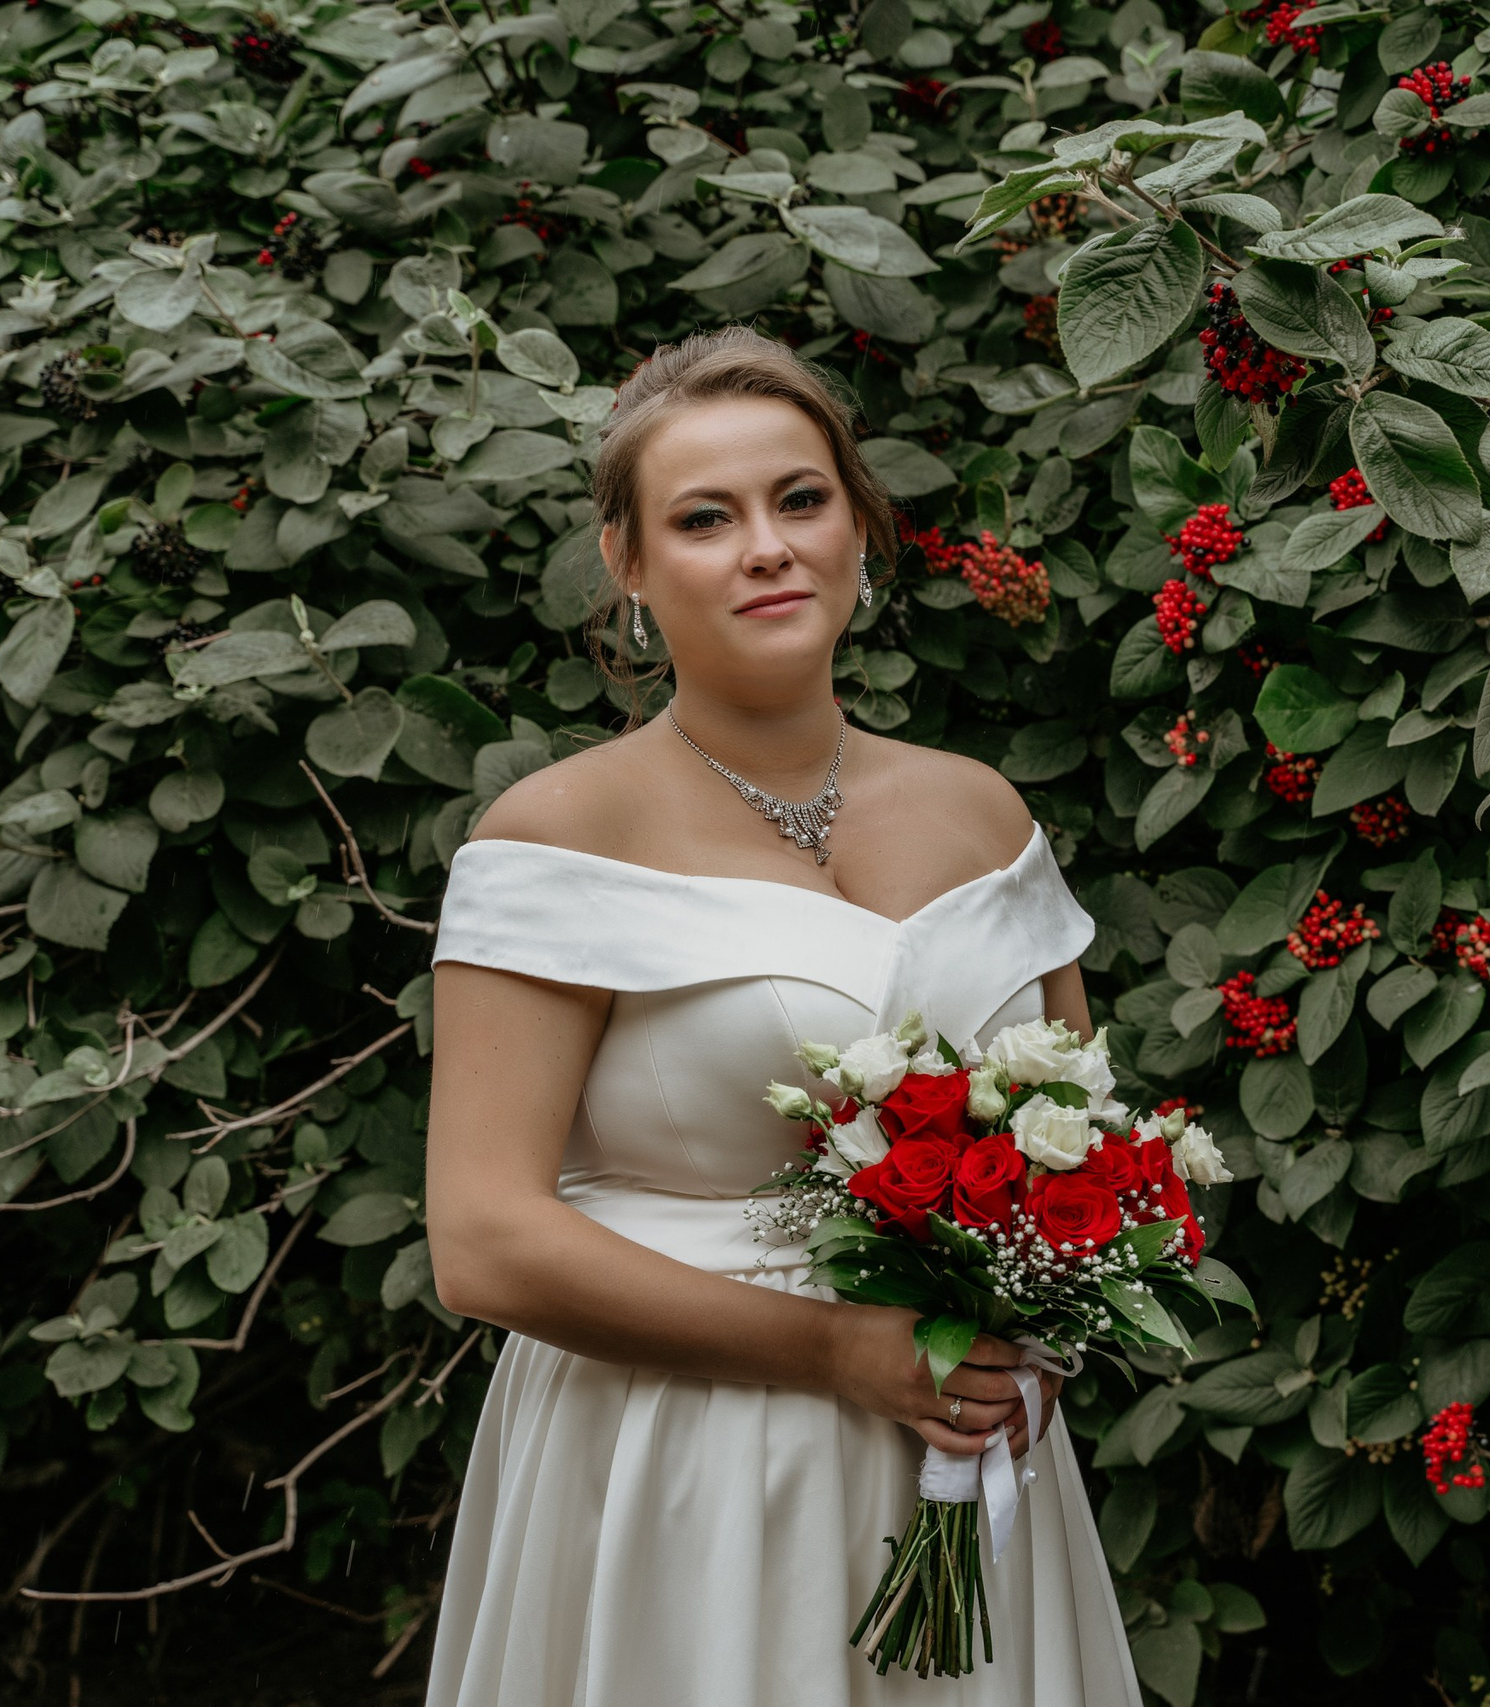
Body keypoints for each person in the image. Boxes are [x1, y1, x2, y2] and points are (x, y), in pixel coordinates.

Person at [420, 326, 1137, 1705]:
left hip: (963, 1454)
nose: (768, 547)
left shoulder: (982, 812)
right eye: (706, 518)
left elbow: (1083, 1158)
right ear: (629, 564)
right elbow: (484, 1243)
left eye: (801, 500)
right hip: (682, 1463)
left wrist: (1036, 1345)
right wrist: (833, 1349)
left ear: (861, 528)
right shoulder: (562, 833)